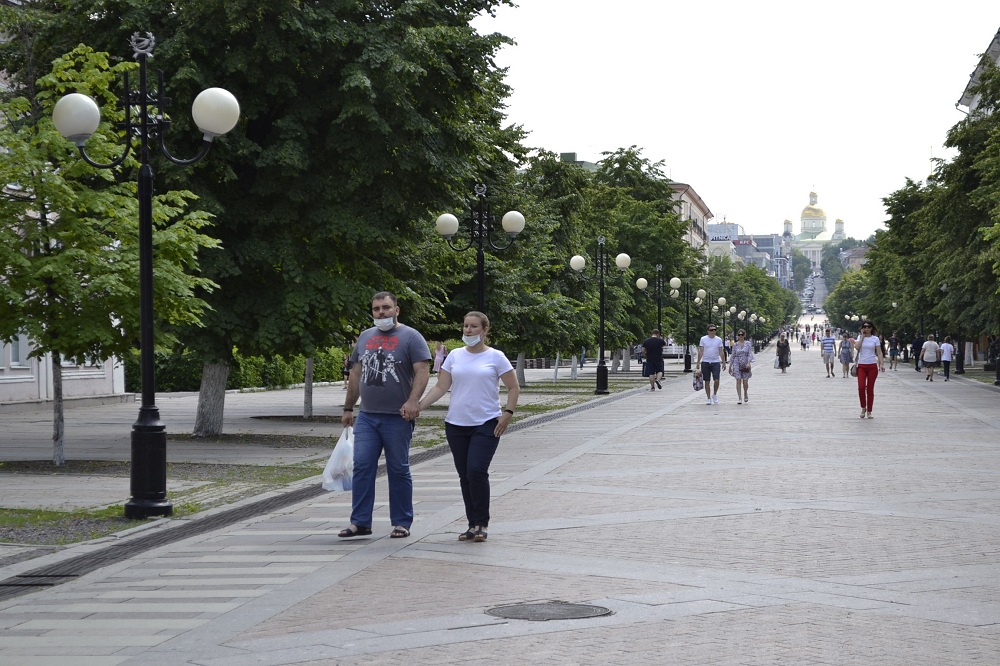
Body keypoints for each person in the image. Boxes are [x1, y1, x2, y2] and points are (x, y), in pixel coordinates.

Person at [418, 312, 519, 543]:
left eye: (473, 327)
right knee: (465, 475)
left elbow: (513, 387)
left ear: (485, 329)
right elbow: (441, 386)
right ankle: (472, 524)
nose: (468, 330)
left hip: (486, 424)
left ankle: (482, 523)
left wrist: (508, 413)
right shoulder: (455, 356)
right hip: (456, 424)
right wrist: (418, 406)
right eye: (465, 326)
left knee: (476, 471)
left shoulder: (496, 357)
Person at [340, 291, 431, 539]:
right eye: (376, 309)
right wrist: (348, 408)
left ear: (396, 310)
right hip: (367, 416)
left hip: (397, 417)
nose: (381, 312)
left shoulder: (411, 337)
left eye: (386, 308)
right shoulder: (365, 337)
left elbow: (423, 371)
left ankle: (402, 522)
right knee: (362, 467)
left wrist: (413, 401)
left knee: (398, 469)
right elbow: (356, 374)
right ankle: (360, 522)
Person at [853, 320, 885, 419]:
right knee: (861, 387)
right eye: (864, 326)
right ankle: (863, 407)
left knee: (870, 389)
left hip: (872, 366)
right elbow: (857, 347)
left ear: (871, 328)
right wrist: (862, 337)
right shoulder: (860, 337)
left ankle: (869, 411)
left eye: (868, 326)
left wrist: (882, 364)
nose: (866, 328)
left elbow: (879, 352)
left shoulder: (875, 339)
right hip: (862, 366)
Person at [696, 324, 727, 405]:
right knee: (707, 381)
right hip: (705, 362)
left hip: (715, 362)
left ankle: (715, 394)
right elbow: (701, 351)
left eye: (714, 330)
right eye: (711, 330)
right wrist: (698, 362)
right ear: (708, 331)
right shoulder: (703, 339)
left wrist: (723, 362)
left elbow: (721, 351)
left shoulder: (718, 340)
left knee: (716, 380)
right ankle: (708, 398)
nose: (713, 331)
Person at [730, 328, 755, 404]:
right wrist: (730, 365)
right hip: (737, 362)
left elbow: (750, 353)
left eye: (742, 334)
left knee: (745, 381)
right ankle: (739, 398)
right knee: (738, 380)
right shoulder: (735, 344)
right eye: (739, 335)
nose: (740, 336)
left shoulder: (747, 343)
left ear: (744, 335)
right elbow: (733, 355)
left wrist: (749, 362)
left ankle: (745, 393)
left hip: (745, 362)